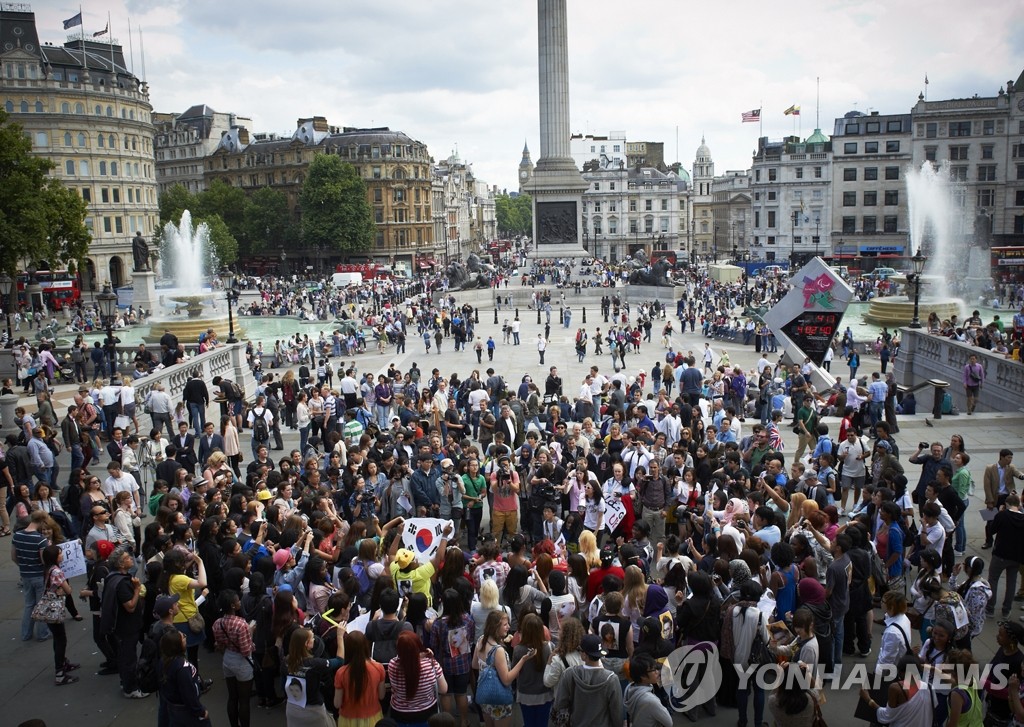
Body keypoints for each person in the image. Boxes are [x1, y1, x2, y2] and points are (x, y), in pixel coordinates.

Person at [473, 611, 533, 727]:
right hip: (499, 699)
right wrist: (523, 660)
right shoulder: (498, 650)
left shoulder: (481, 640)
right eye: (505, 625)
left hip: (484, 695)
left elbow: (474, 665)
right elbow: (506, 679)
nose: (508, 627)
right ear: (496, 627)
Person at [551, 632, 622, 727]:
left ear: (584, 655)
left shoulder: (569, 674)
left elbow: (559, 705)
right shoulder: (611, 679)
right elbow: (616, 713)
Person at [286, 625, 346, 727]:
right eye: (312, 638)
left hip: (292, 708)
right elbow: (339, 661)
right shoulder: (315, 664)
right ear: (307, 644)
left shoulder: (286, 662)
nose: (314, 639)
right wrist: (340, 636)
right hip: (313, 711)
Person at [213, 590, 255, 727]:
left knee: (232, 697)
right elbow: (246, 650)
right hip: (242, 663)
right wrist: (251, 632)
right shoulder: (242, 624)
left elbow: (219, 645)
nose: (239, 602)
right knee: (244, 700)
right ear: (232, 605)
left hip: (228, 659)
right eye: (238, 601)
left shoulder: (218, 623)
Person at [388, 630, 447, 726]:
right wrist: (429, 657)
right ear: (418, 646)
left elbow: (407, 660)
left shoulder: (392, 665)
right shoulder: (431, 665)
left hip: (399, 714)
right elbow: (443, 689)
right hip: (426, 714)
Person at [40, 544, 79, 685]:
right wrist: (66, 589)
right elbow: (68, 590)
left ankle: (63, 663)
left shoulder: (48, 569)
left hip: (48, 608)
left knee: (58, 638)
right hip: (54, 609)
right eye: (60, 553)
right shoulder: (57, 571)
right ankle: (60, 673)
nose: (62, 555)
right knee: (60, 639)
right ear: (55, 557)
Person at [333, 631, 386, 727]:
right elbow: (381, 696)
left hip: (347, 720)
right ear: (365, 646)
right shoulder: (378, 668)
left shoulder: (341, 672)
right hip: (373, 718)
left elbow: (337, 703)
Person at [158, 629, 209, 727]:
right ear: (177, 646)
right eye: (183, 637)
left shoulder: (163, 661)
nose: (186, 638)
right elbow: (188, 694)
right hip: (186, 711)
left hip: (173, 707)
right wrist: (200, 712)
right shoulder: (182, 668)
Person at [13, 510, 51, 642]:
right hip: (39, 575)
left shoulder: (17, 535)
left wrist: (24, 565)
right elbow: (44, 561)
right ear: (42, 521)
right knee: (41, 604)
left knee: (29, 604)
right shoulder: (40, 540)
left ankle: (26, 634)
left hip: (25, 574)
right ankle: (42, 634)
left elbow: (14, 557)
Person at [623, 654, 672, 727]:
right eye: (653, 670)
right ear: (643, 676)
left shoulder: (629, 687)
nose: (657, 672)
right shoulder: (651, 700)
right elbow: (669, 723)